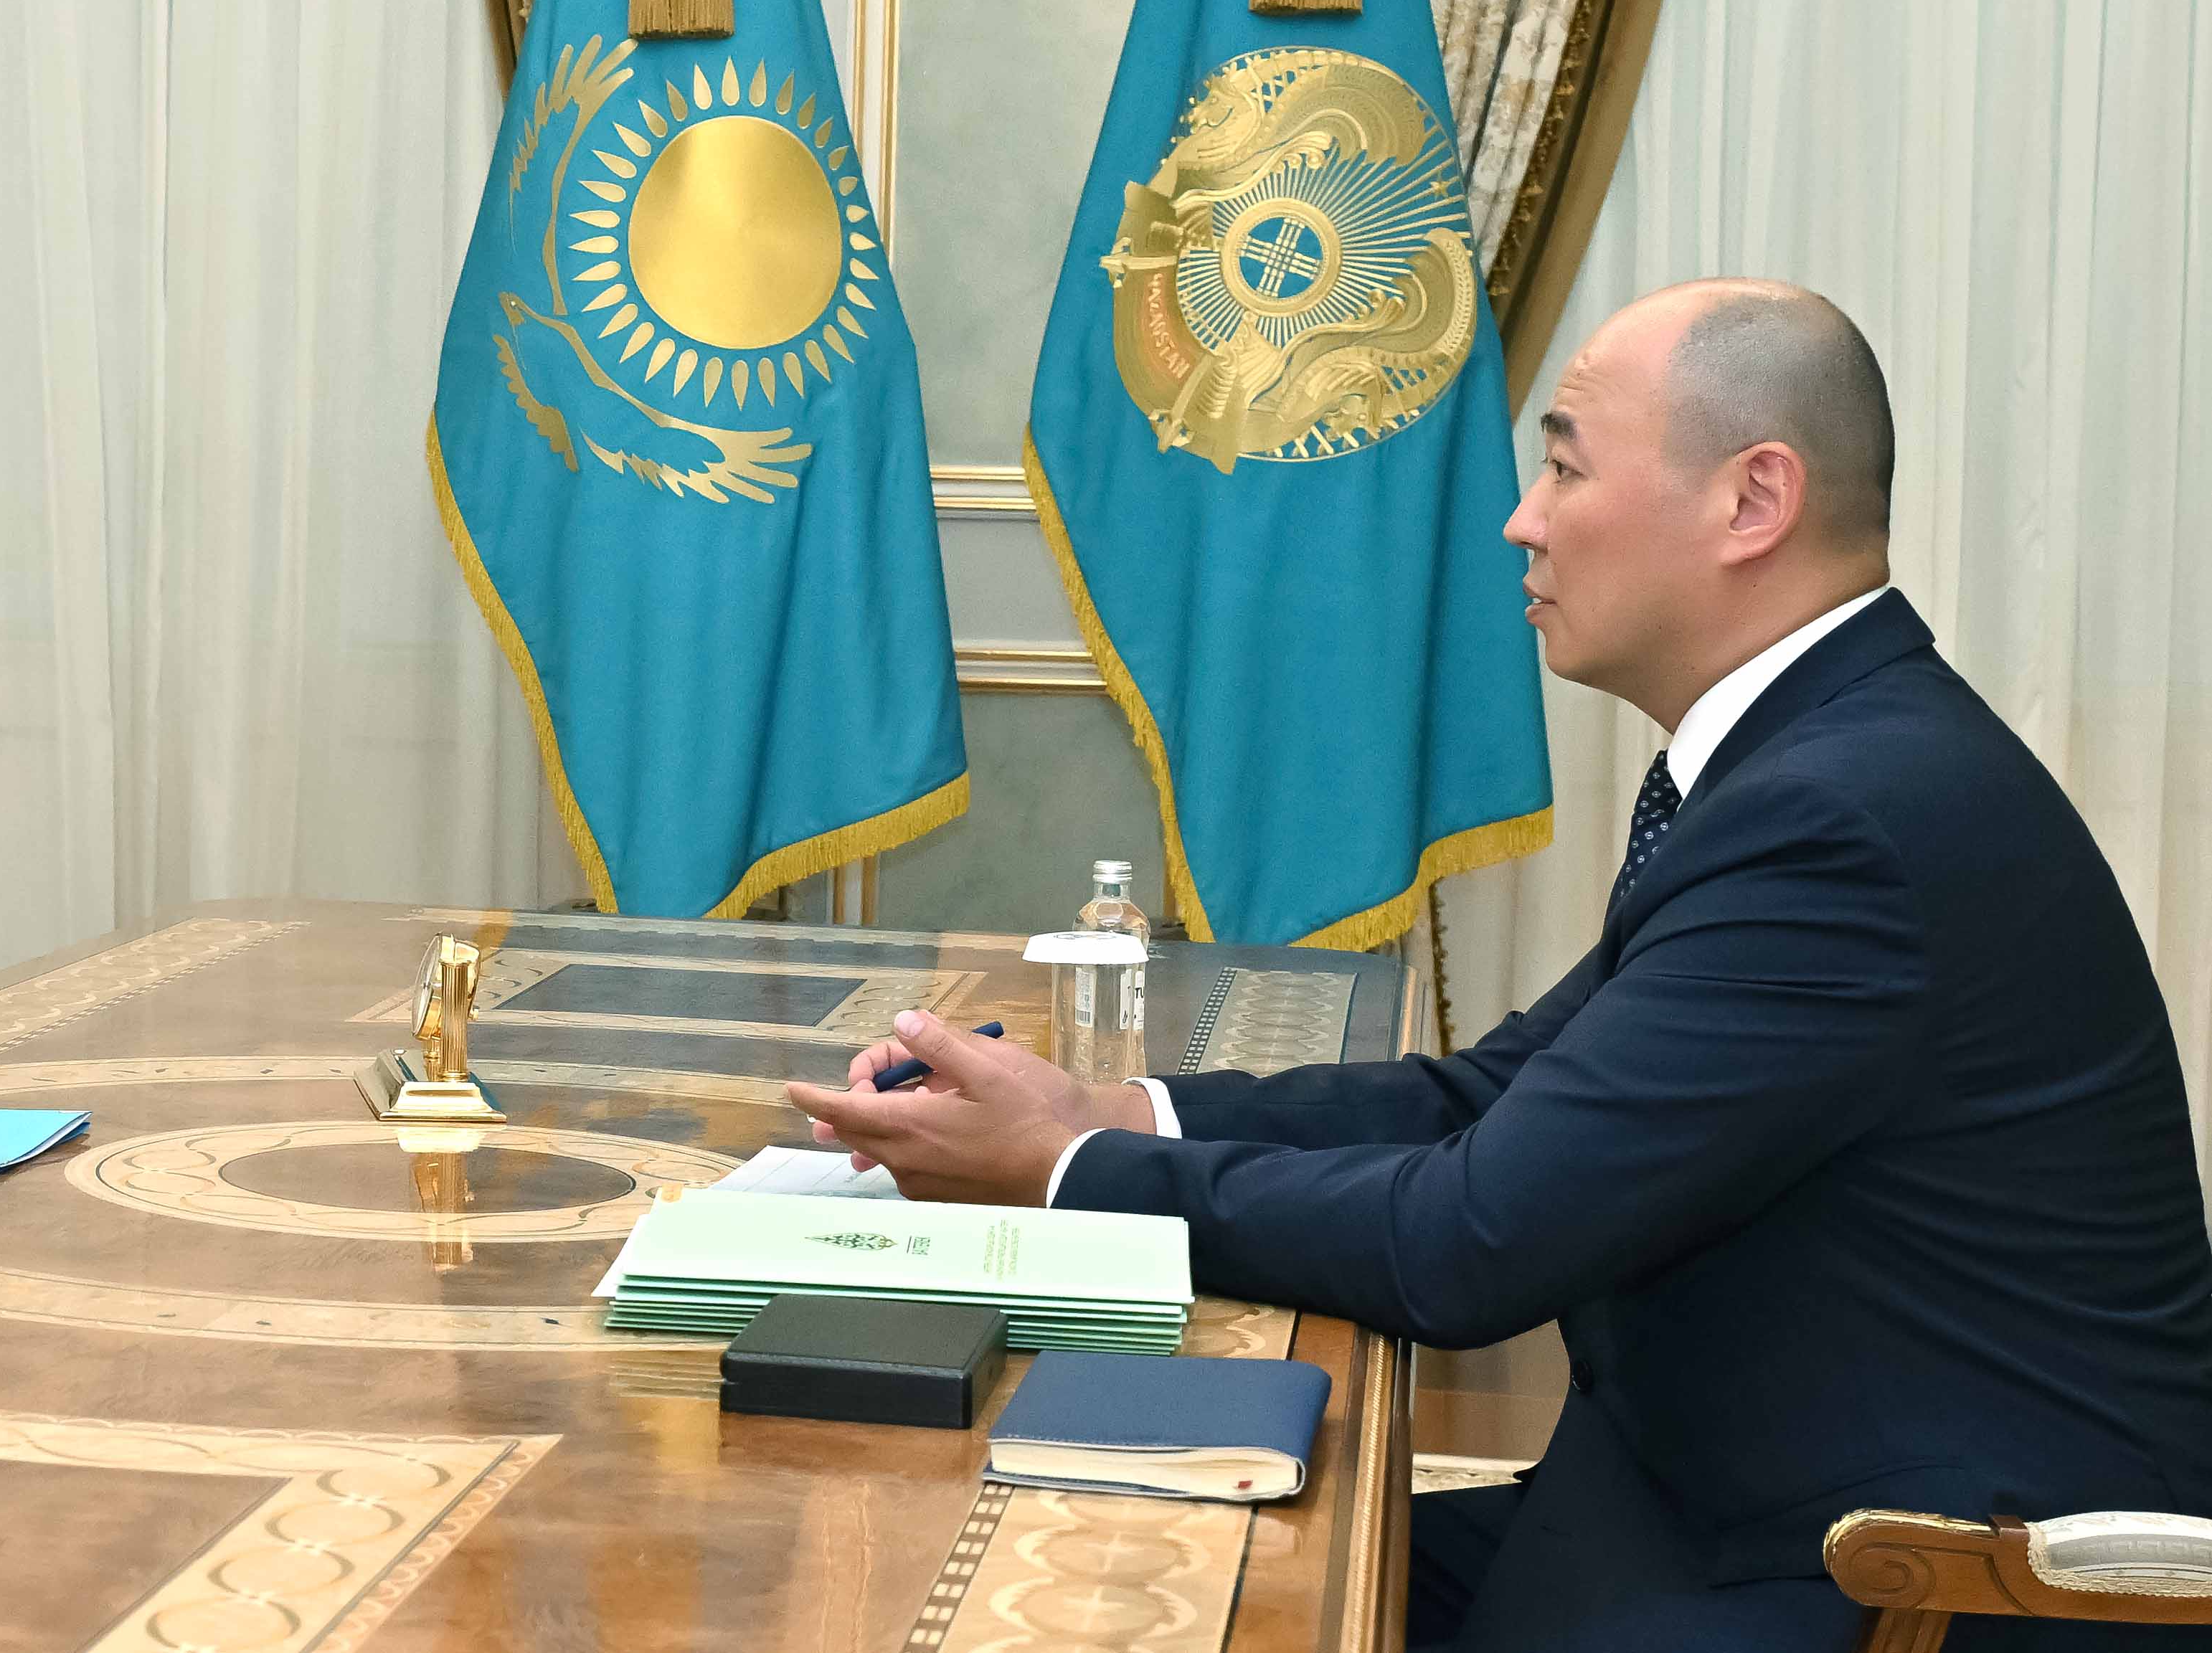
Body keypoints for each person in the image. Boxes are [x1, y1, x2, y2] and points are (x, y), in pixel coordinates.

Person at [794, 280, 2212, 1650]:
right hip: (1718, 1501)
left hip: (1915, 1580)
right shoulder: (1823, 761)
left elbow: (1466, 1246)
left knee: (1139, 1604)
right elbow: (1491, 1093)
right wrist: (1110, 1111)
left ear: (1753, 500)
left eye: (1565, 468)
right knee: (1134, 1568)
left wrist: (1062, 1169)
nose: (1521, 521)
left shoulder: (1841, 819)